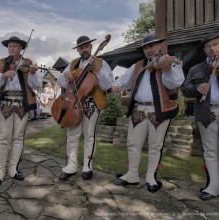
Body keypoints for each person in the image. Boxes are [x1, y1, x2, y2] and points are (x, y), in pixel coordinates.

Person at [111, 32, 184, 192]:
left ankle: (151, 177)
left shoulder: (171, 62)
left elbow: (175, 82)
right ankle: (132, 174)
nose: (149, 50)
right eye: (145, 48)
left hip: (159, 109)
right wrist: (118, 85)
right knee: (133, 143)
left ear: (158, 46)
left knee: (155, 145)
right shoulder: (138, 65)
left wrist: (166, 68)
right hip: (138, 108)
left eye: (151, 46)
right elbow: (124, 80)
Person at [0, 36, 42, 187]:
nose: (12, 48)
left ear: (21, 48)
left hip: (22, 104)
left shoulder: (28, 63)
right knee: (4, 138)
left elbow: (36, 86)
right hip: (5, 103)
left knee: (18, 138)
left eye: (15, 46)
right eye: (10, 46)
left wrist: (33, 73)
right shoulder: (1, 63)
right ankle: (0, 172)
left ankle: (13, 169)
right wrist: (3, 75)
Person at [56, 35, 113, 180]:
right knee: (72, 135)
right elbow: (60, 81)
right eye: (81, 48)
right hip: (73, 103)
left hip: (91, 103)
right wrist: (67, 75)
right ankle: (71, 165)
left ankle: (88, 165)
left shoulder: (100, 62)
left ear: (92, 47)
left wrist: (98, 71)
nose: (84, 49)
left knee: (89, 135)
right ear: (78, 50)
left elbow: (108, 85)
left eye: (86, 46)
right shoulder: (73, 63)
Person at [182, 33, 219, 200]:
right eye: (209, 46)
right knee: (210, 151)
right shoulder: (195, 69)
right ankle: (213, 187)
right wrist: (197, 87)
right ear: (204, 50)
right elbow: (185, 89)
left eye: (216, 44)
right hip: (206, 112)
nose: (213, 48)